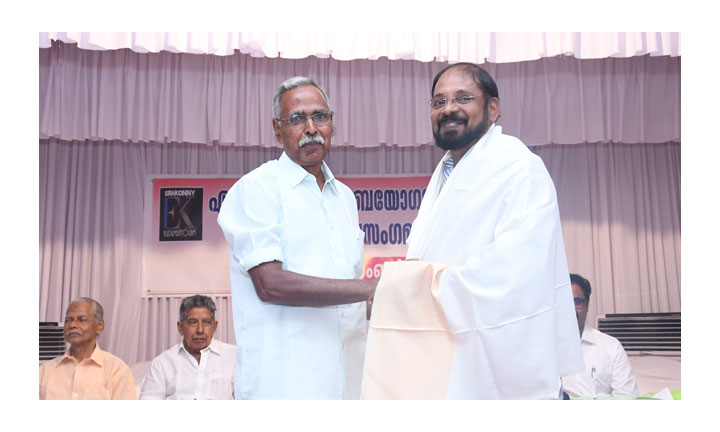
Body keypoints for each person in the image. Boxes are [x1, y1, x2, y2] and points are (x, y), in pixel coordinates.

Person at [403, 63, 584, 399]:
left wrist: (418, 288)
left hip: (501, 372)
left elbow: (515, 270)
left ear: (493, 108)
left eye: (463, 98)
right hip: (444, 361)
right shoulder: (444, 172)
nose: (449, 109)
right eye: (438, 102)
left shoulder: (517, 166)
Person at [217, 76, 377, 400]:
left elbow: (345, 285)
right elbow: (270, 284)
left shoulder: (345, 197)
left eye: (320, 116)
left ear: (332, 123)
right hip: (285, 387)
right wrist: (372, 289)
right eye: (296, 119)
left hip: (349, 383)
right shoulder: (257, 189)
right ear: (278, 129)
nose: (311, 128)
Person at [139, 295, 236, 399]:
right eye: (193, 322)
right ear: (180, 327)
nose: (200, 330)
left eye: (206, 323)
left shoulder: (233, 357)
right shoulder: (162, 363)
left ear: (214, 327)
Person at [39, 297, 137, 399]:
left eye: (82, 320)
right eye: (68, 320)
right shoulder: (45, 371)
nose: (72, 325)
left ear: (99, 326)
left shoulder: (116, 370)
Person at [562, 273, 640, 398]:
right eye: (563, 301)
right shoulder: (542, 348)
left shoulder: (611, 347)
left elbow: (627, 398)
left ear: (587, 306)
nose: (570, 308)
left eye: (576, 302)